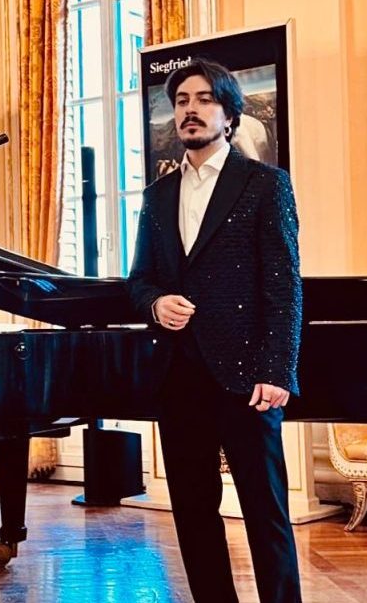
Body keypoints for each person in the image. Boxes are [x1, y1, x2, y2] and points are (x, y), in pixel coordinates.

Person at [127, 58, 303, 603]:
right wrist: (156, 303)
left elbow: (284, 285)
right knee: (192, 510)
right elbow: (139, 279)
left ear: (229, 114)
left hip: (248, 375)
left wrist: (278, 370)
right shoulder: (157, 195)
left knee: (265, 511)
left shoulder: (265, 184)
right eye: (182, 101)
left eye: (204, 99)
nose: (191, 109)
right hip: (179, 374)